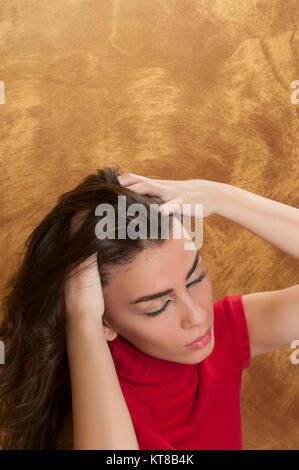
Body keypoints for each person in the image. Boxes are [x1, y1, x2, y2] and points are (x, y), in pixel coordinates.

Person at [0, 166, 298, 450]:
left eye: (196, 278)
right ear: (103, 319)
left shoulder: (223, 334)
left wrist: (221, 197)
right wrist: (83, 319)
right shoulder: (84, 398)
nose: (197, 316)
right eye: (158, 306)